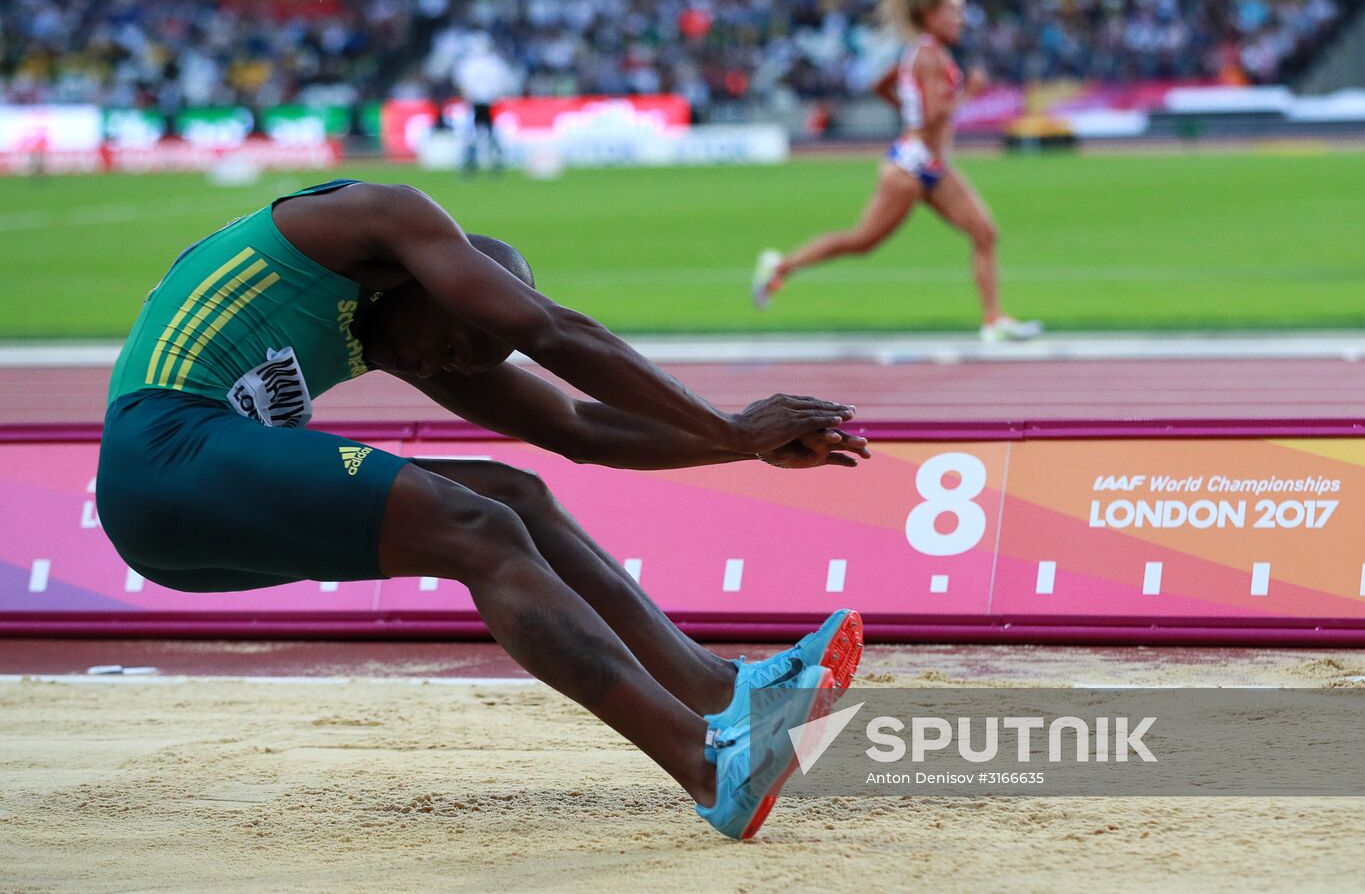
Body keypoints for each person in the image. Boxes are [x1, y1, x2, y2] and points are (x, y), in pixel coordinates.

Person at [95, 179, 869, 839]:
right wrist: (726, 424)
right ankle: (708, 766)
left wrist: (744, 447)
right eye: (454, 345)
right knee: (479, 529)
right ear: (440, 285)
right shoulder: (376, 218)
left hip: (185, 509)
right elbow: (549, 329)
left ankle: (722, 693)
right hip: (162, 453)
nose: (442, 368)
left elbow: (574, 427)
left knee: (511, 496)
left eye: (462, 364)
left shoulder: (404, 325)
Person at [752, 0, 1041, 343]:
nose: (960, 18)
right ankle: (779, 266)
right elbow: (935, 115)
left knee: (984, 232)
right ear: (928, 14)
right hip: (910, 167)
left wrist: (910, 112)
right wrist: (969, 93)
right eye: (952, 10)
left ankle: (993, 320)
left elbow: (883, 86)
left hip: (931, 165)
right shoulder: (931, 56)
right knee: (862, 241)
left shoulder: (920, 52)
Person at [453, 35, 515, 174]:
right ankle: (496, 162)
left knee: (473, 134)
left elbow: (461, 84)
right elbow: (503, 82)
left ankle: (471, 163)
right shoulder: (495, 62)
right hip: (491, 103)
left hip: (475, 103)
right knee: (491, 133)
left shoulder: (467, 63)